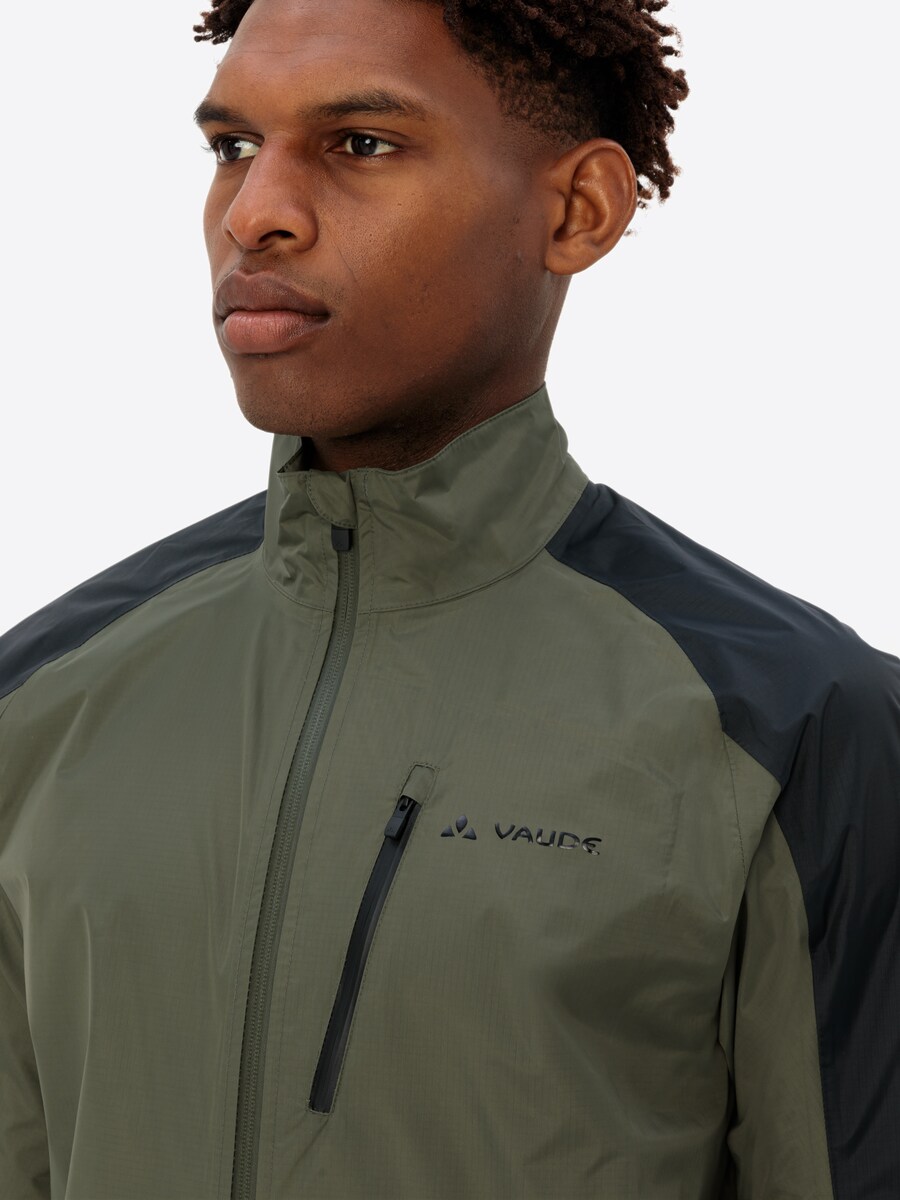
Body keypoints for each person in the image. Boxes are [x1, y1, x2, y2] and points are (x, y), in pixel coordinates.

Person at [0, 1, 897, 1198]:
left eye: (361, 143)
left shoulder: (789, 725)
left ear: (577, 211)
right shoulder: (41, 698)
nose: (255, 212)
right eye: (232, 147)